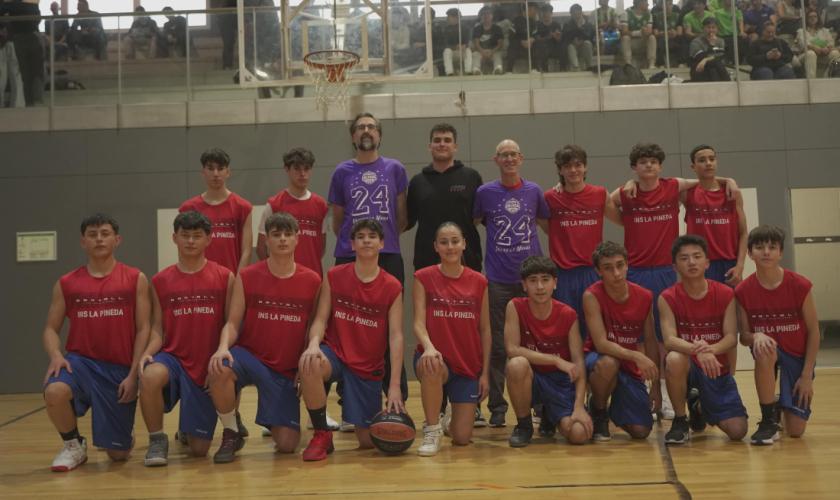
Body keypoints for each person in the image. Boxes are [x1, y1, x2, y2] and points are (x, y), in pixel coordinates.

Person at [611, 143, 739, 421]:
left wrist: (729, 180)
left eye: (653, 161)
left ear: (660, 166)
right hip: (635, 272)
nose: (648, 166)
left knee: (663, 337)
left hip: (664, 271)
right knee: (638, 337)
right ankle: (642, 391)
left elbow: (705, 179)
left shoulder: (673, 186)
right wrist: (630, 193)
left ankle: (666, 394)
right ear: (634, 167)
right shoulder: (627, 192)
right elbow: (608, 205)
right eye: (642, 162)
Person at [207, 212, 322, 463]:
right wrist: (222, 347)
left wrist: (303, 363)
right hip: (250, 356)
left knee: (288, 445)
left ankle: (273, 413)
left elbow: (314, 326)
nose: (282, 239)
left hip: (284, 369)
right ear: (267, 240)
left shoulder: (313, 280)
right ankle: (231, 431)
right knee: (220, 367)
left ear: (297, 239)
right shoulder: (247, 275)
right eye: (276, 234)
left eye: (288, 234)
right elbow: (233, 322)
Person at [42, 214, 150, 471]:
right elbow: (50, 329)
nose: (99, 239)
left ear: (116, 240)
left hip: (118, 369)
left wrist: (133, 375)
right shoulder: (67, 283)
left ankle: (124, 430)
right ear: (83, 242)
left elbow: (144, 329)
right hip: (81, 364)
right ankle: (73, 445)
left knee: (118, 454)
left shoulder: (135, 278)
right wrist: (56, 355)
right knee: (54, 390)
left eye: (105, 233)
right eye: (92, 235)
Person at [298, 219, 405, 461]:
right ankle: (322, 433)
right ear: (352, 244)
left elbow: (396, 336)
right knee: (310, 363)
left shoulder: (392, 286)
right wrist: (313, 344)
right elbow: (320, 319)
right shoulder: (334, 275)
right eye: (361, 237)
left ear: (382, 244)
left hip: (367, 364)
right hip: (335, 352)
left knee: (367, 441)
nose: (366, 240)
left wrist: (394, 387)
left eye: (372, 236)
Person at [328, 112, 409, 429]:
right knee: (345, 330)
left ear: (379, 135)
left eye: (372, 127)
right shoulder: (341, 171)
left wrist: (380, 243)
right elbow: (338, 220)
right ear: (353, 136)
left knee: (390, 330)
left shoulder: (395, 168)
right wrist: (355, 245)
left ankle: (396, 400)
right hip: (349, 256)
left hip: (386, 256)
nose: (366, 131)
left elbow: (401, 217)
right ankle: (347, 404)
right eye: (361, 127)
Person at [138, 211, 235, 466]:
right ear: (175, 238)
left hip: (207, 363)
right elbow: (157, 328)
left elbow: (231, 324)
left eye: (197, 236)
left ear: (208, 240)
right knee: (149, 375)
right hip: (174, 358)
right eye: (185, 235)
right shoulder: (160, 280)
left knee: (199, 450)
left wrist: (218, 365)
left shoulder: (225, 276)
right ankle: (157, 439)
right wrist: (148, 352)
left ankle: (187, 428)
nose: (190, 241)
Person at [406, 123, 485, 426]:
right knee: (432, 328)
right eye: (437, 140)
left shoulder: (471, 177)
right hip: (429, 270)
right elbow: (408, 220)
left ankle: (470, 399)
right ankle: (436, 405)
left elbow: (478, 216)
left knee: (468, 330)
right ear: (430, 146)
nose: (442, 144)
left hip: (466, 267)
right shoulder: (417, 182)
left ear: (455, 146)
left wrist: (455, 250)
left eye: (447, 140)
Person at [473, 139, 551, 428]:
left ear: (521, 158)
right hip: (497, 281)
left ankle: (540, 405)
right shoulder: (485, 193)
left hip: (531, 282)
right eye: (503, 155)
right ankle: (497, 407)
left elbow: (546, 225)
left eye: (513, 154)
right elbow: (472, 223)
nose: (509, 159)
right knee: (497, 346)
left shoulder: (534, 191)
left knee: (536, 344)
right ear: (496, 161)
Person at [660, 235, 748, 444]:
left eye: (697, 256)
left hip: (715, 366)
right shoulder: (667, 297)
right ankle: (680, 421)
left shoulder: (726, 293)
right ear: (675, 267)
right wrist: (699, 351)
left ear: (707, 263)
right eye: (684, 258)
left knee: (738, 431)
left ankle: (698, 406)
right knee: (674, 358)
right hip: (688, 365)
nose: (691, 262)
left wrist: (710, 351)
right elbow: (670, 340)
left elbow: (731, 338)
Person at [735, 226, 819, 444]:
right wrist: (756, 336)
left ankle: (778, 406)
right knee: (765, 351)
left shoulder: (800, 285)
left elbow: (814, 331)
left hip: (798, 356)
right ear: (750, 253)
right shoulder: (742, 290)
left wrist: (806, 376)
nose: (766, 252)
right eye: (759, 247)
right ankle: (767, 421)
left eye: (772, 247)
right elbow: (744, 336)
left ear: (781, 253)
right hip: (768, 353)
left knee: (796, 430)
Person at [413, 222, 491, 456]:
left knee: (462, 438)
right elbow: (418, 323)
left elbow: (485, 330)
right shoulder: (423, 277)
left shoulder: (479, 281)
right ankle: (432, 429)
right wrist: (428, 347)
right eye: (444, 242)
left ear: (464, 244)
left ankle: (448, 421)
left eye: (455, 241)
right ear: (436, 247)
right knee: (432, 365)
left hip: (467, 364)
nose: (450, 247)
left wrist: (485, 374)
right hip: (435, 359)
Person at [504, 255, 593, 448]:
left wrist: (579, 406)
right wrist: (555, 360)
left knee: (579, 434)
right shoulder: (515, 306)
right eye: (533, 280)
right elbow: (512, 349)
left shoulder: (568, 314)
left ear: (555, 283)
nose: (540, 287)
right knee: (516, 364)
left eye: (545, 279)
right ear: (524, 285)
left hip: (560, 382)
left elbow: (578, 362)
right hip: (533, 378)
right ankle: (524, 425)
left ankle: (549, 414)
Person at [545, 144, 623, 344]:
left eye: (578, 165)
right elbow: (547, 228)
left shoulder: (599, 194)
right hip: (563, 274)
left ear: (585, 166)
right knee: (566, 327)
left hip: (592, 272)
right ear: (560, 170)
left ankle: (596, 363)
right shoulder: (551, 197)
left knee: (596, 328)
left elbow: (624, 220)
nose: (573, 170)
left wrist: (632, 183)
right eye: (567, 166)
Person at [583, 241, 661, 441]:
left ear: (627, 264)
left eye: (619, 265)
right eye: (608, 268)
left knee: (641, 431)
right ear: (598, 271)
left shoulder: (644, 296)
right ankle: (598, 411)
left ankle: (614, 406)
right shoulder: (591, 296)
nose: (616, 273)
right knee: (609, 363)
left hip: (627, 365)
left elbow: (651, 340)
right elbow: (601, 344)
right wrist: (636, 355)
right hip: (597, 359)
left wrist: (656, 386)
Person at [683, 145, 747, 373]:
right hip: (699, 269)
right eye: (702, 160)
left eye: (712, 158)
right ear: (693, 167)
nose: (708, 163)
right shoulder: (688, 194)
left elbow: (743, 233)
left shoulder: (732, 194)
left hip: (728, 267)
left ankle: (730, 379)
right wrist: (728, 178)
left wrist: (740, 266)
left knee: (729, 330)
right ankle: (699, 378)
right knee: (698, 326)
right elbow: (661, 183)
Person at [180, 148, 253, 277]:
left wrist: (237, 283)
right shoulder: (189, 208)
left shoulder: (243, 207)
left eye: (220, 168)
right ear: (203, 172)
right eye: (210, 168)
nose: (215, 174)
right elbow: (183, 251)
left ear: (227, 172)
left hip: (232, 280)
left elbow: (246, 252)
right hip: (198, 280)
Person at [257, 148, 329, 278]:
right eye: (297, 168)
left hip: (313, 278)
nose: (302, 173)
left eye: (307, 168)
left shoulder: (320, 205)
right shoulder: (274, 204)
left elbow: (321, 248)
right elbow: (261, 248)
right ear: (287, 170)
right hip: (280, 278)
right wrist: (274, 273)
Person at [0, 0, 43, 106]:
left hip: (15, 37)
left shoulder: (10, 4)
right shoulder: (10, 4)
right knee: (15, 75)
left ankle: (22, 104)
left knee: (19, 75)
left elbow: (36, 18)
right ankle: (23, 103)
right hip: (13, 37)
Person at [795, 8, 840, 78]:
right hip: (805, 54)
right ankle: (812, 80)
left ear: (818, 18)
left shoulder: (825, 30)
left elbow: (831, 42)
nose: (812, 18)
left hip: (823, 54)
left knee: (835, 53)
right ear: (806, 19)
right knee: (811, 54)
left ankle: (829, 76)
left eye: (814, 16)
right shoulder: (801, 31)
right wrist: (815, 47)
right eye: (810, 17)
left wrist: (827, 47)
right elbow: (804, 43)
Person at [507, 2, 545, 73]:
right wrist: (521, 42)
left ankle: (534, 69)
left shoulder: (533, 22)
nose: (535, 12)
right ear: (528, 8)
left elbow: (535, 36)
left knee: (538, 44)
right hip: (518, 47)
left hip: (530, 47)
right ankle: (509, 71)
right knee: (511, 46)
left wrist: (532, 40)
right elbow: (511, 38)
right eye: (534, 9)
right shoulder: (516, 20)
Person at [689, 17, 731, 81]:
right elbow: (701, 57)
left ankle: (728, 84)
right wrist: (711, 44)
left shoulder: (720, 41)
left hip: (715, 67)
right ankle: (728, 82)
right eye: (708, 27)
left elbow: (720, 56)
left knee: (717, 62)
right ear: (703, 28)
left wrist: (705, 59)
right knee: (716, 61)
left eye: (713, 27)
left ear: (717, 29)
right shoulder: (695, 42)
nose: (711, 30)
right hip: (699, 69)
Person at [620, 0, 657, 69]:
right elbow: (624, 32)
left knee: (652, 37)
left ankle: (651, 64)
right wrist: (639, 32)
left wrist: (646, 32)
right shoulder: (626, 14)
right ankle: (628, 64)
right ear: (640, 3)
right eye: (646, 2)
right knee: (625, 38)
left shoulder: (648, 15)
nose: (648, 4)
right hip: (631, 43)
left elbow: (650, 31)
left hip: (642, 43)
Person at [654, 0, 689, 68]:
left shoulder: (678, 16)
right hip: (662, 38)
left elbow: (679, 32)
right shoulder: (656, 16)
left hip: (674, 38)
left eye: (670, 4)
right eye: (665, 4)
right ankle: (660, 64)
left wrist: (674, 33)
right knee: (659, 42)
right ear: (662, 6)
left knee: (682, 39)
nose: (668, 6)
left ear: (672, 6)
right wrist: (666, 33)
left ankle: (681, 63)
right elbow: (656, 33)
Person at [562, 4, 596, 72]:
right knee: (570, 46)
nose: (578, 16)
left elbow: (590, 37)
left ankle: (589, 66)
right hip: (573, 47)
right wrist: (573, 41)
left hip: (584, 47)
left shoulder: (588, 24)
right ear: (572, 16)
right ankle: (576, 67)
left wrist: (580, 27)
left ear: (582, 13)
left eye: (579, 13)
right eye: (575, 14)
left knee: (587, 43)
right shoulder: (567, 24)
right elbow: (565, 37)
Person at [472, 6, 504, 75]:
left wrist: (491, 51)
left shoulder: (497, 28)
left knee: (498, 55)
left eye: (488, 13)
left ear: (492, 16)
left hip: (494, 51)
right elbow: (476, 44)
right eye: (484, 13)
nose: (486, 15)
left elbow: (500, 44)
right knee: (475, 55)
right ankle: (476, 70)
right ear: (481, 17)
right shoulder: (477, 29)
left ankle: (498, 69)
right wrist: (483, 52)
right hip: (480, 51)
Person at [442, 8, 473, 76]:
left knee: (468, 50)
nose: (447, 19)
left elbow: (468, 41)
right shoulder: (446, 29)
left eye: (449, 17)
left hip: (462, 51)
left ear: (455, 17)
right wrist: (454, 47)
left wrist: (464, 46)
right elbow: (444, 43)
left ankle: (469, 71)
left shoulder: (465, 28)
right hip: (452, 52)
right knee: (447, 51)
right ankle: (449, 72)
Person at [537, 4, 565, 72]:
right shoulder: (539, 25)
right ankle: (544, 71)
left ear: (551, 13)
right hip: (543, 47)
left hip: (554, 47)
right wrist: (548, 37)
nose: (545, 14)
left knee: (564, 47)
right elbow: (537, 39)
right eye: (543, 12)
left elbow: (560, 39)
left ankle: (563, 70)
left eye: (547, 12)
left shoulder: (556, 24)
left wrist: (557, 37)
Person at [218, 0, 237, 69]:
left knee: (229, 42)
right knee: (229, 42)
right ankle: (228, 65)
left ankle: (227, 64)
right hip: (226, 17)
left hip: (227, 16)